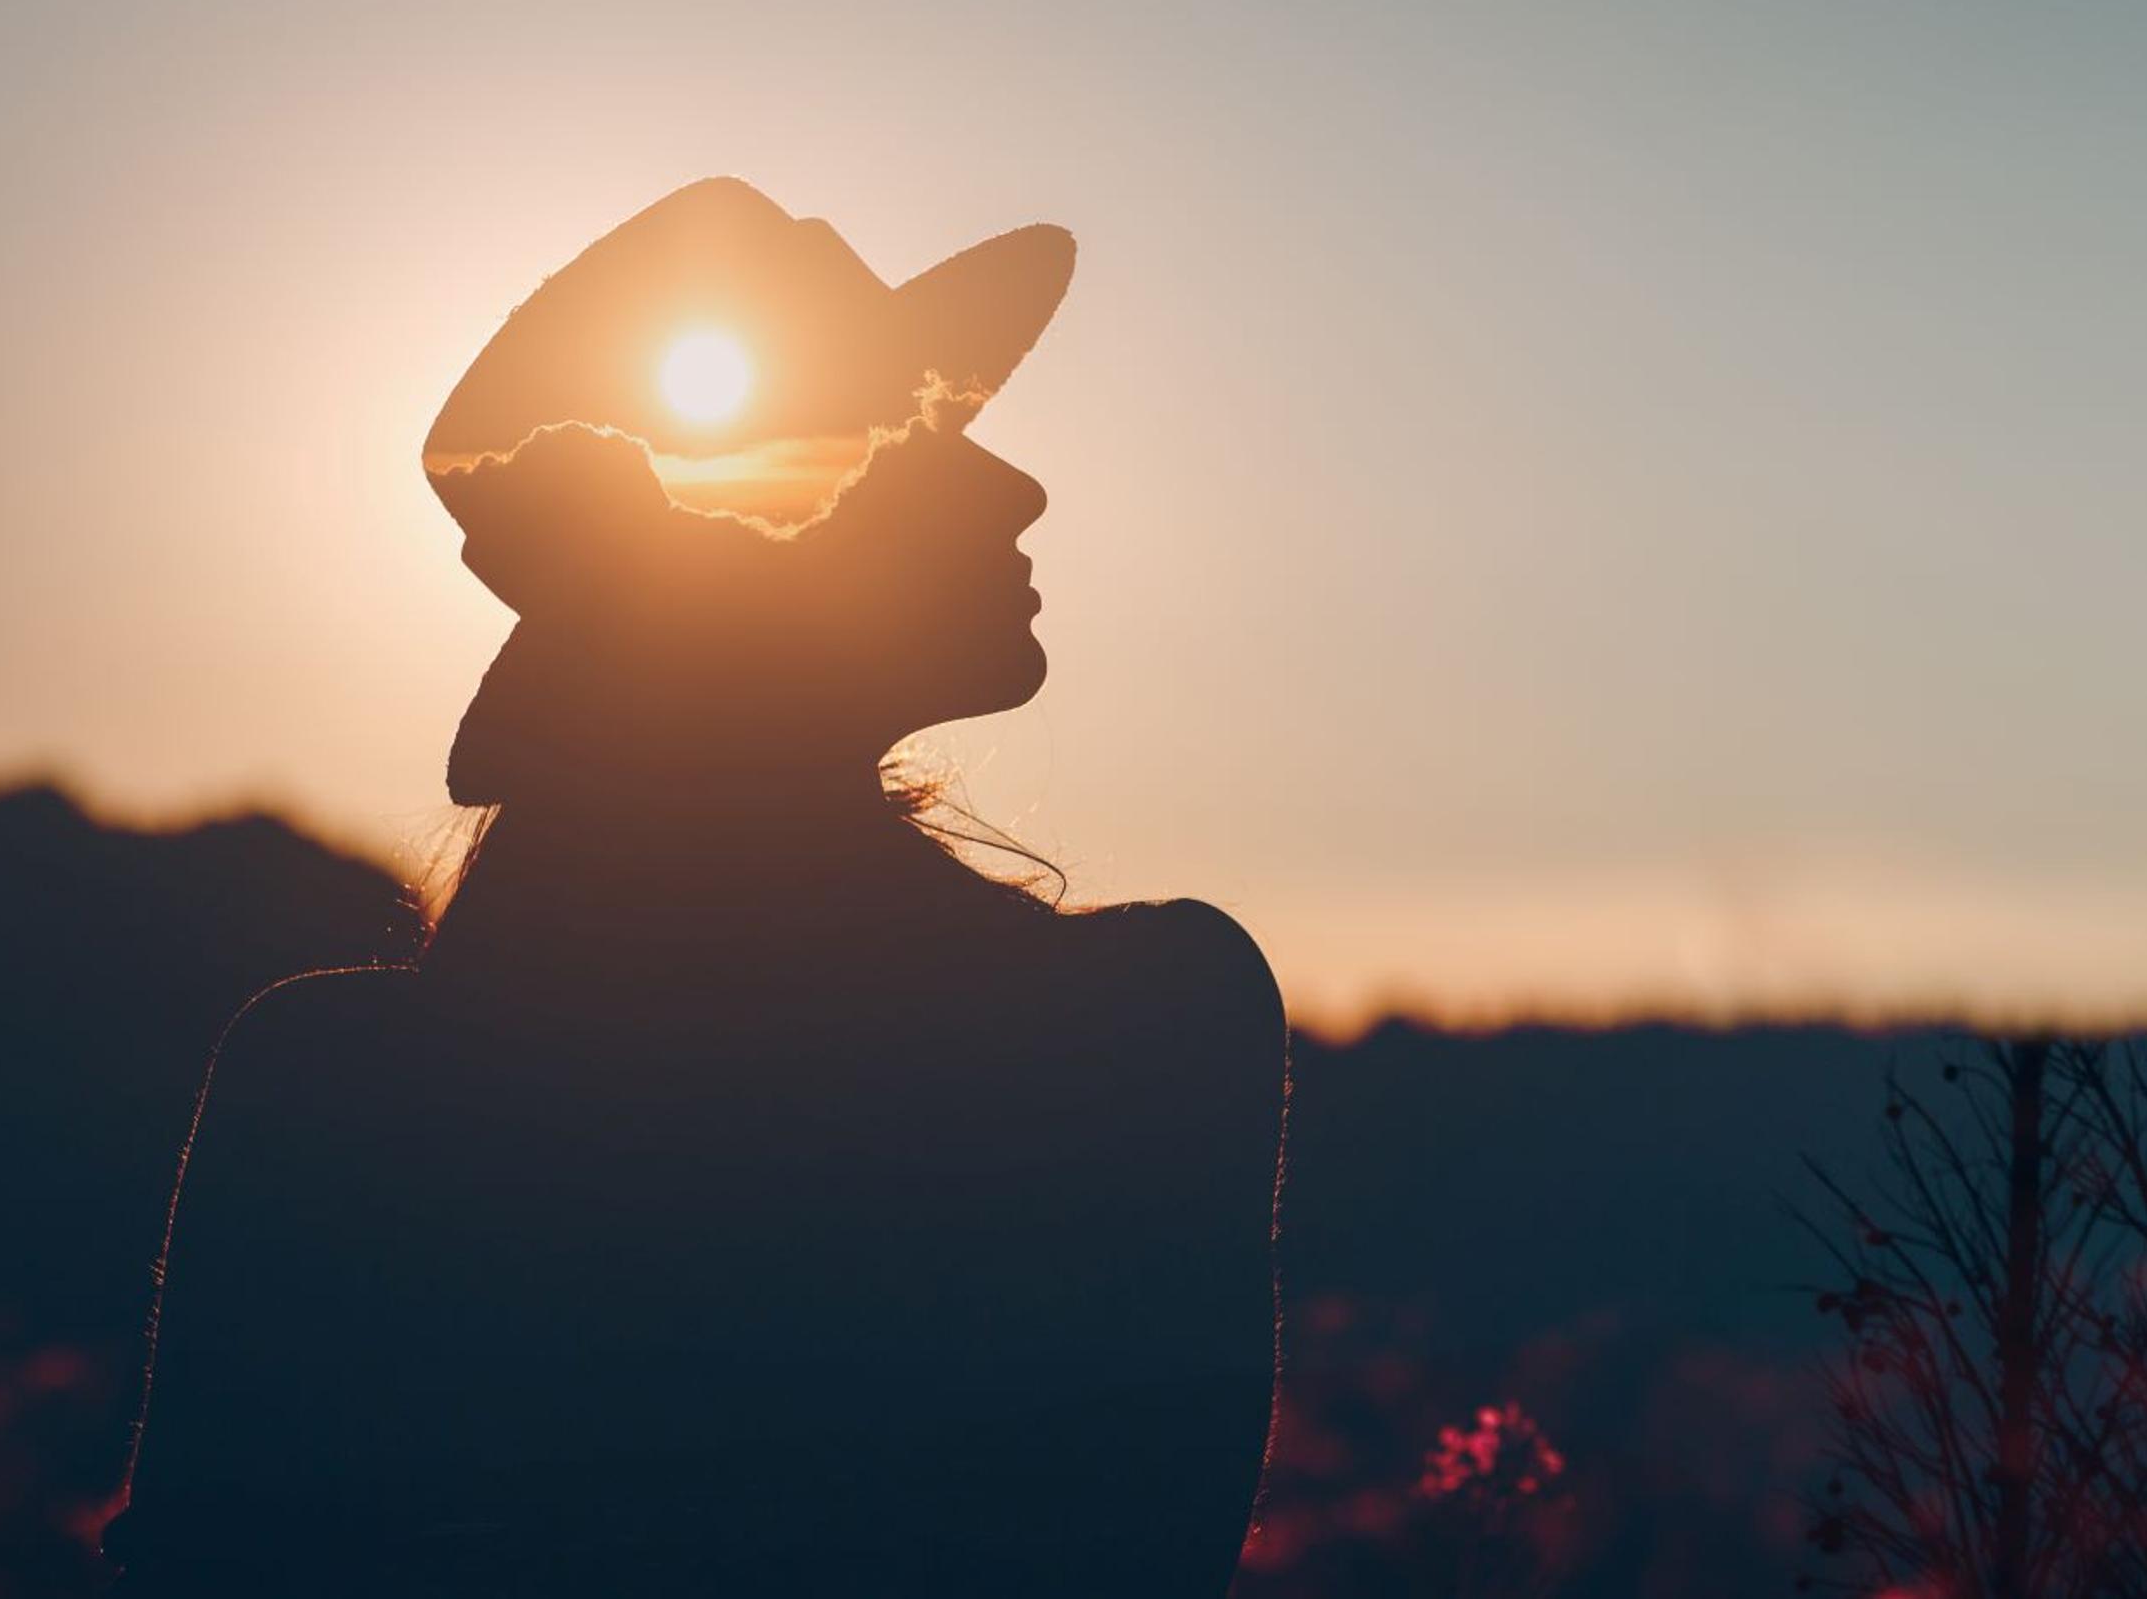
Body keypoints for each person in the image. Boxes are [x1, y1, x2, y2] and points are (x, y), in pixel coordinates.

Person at [106, 179, 1286, 1596]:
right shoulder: (1145, 1025)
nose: (1013, 485)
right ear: (753, 557)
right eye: (915, 440)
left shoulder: (329, 1088)